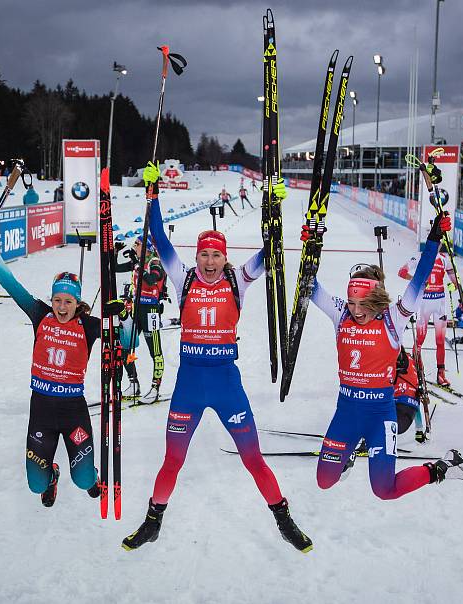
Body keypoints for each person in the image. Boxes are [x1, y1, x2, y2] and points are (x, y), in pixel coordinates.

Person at [122, 162, 312, 553]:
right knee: (172, 460)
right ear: (197, 256)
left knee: (253, 458)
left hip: (226, 385)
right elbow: (157, 236)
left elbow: (268, 253)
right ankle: (153, 521)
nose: (209, 262)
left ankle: (284, 520)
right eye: (204, 254)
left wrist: (274, 213)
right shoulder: (184, 277)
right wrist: (152, 194)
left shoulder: (236, 279)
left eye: (216, 256)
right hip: (190, 386)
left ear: (225, 258)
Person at [309, 217, 463, 502]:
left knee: (384, 489)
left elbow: (419, 279)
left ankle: (443, 467)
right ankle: (348, 453)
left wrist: (434, 241)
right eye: (352, 303)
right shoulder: (340, 313)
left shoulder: (394, 318)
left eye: (363, 304)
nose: (356, 310)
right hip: (346, 413)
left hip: (381, 414)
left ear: (375, 300)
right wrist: (311, 244)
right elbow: (311, 286)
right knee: (324, 481)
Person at [0, 225, 108, 506]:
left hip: (73, 410)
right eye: (57, 300)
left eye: (68, 301)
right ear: (51, 300)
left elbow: (125, 338)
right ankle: (51, 476)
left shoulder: (90, 325)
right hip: (42, 410)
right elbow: (11, 285)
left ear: (77, 302)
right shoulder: (40, 315)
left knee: (84, 480)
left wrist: (123, 315)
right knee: (36, 485)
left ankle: (89, 475)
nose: (62, 307)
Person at [398, 244, 458, 386]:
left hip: (440, 305)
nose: (437, 246)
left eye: (439, 244)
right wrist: (416, 280)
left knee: (440, 341)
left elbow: (456, 282)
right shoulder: (419, 257)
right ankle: (417, 371)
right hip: (424, 303)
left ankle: (441, 374)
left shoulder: (444, 259)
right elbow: (401, 272)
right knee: (419, 340)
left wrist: (453, 286)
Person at [116, 235, 167, 402]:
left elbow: (153, 279)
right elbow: (115, 268)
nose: (134, 246)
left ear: (147, 247)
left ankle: (155, 387)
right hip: (137, 310)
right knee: (126, 346)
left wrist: (140, 268)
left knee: (155, 352)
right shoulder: (137, 263)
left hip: (150, 310)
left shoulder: (154, 262)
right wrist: (115, 252)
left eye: (137, 244)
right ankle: (133, 383)